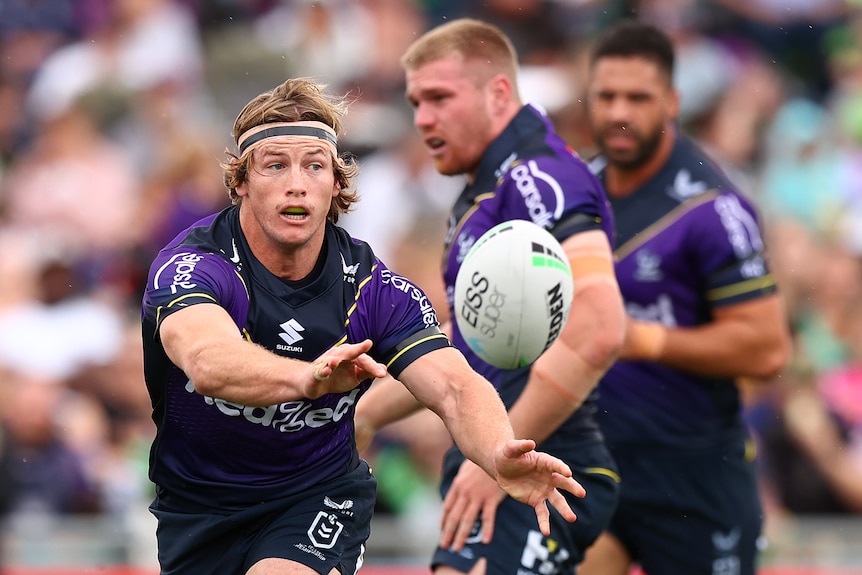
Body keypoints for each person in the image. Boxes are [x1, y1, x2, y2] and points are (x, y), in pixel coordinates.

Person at [139, 77, 587, 575]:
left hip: (316, 496)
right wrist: (304, 379)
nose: (296, 182)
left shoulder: (371, 287)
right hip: (197, 508)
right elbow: (206, 361)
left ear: (335, 184)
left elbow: (456, 387)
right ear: (241, 182)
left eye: (314, 165)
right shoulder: (193, 265)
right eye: (275, 166)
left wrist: (498, 451)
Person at [354, 18, 627, 575]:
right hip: (491, 462)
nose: (422, 119)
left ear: (498, 92)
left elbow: (600, 326)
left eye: (439, 98)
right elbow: (470, 347)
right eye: (415, 102)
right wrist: (361, 415)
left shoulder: (539, 177)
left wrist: (498, 458)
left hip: (541, 469)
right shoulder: (485, 190)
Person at [577, 21, 792, 575]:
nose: (619, 110)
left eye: (638, 97)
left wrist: (644, 338)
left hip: (696, 479)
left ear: (671, 102)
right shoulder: (570, 191)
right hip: (594, 465)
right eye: (606, 96)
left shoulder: (714, 208)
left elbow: (767, 350)